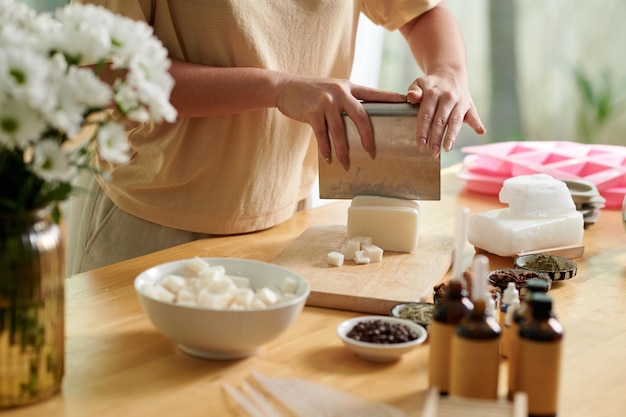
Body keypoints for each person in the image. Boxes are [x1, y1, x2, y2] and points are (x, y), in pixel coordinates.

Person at [66, 0, 486, 275]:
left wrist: (449, 72)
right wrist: (277, 87)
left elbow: (421, 12)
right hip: (151, 223)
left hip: (289, 218)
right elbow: (105, 72)